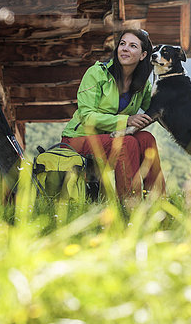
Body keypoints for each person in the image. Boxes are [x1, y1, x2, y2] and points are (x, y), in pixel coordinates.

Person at [61, 29, 164, 201]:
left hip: (110, 140)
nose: (124, 48)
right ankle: (129, 206)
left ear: (143, 55)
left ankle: (158, 204)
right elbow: (87, 117)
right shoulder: (97, 73)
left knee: (146, 139)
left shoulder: (142, 86)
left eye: (132, 46)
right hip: (77, 140)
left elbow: (160, 111)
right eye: (122, 44)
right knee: (126, 141)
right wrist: (127, 120)